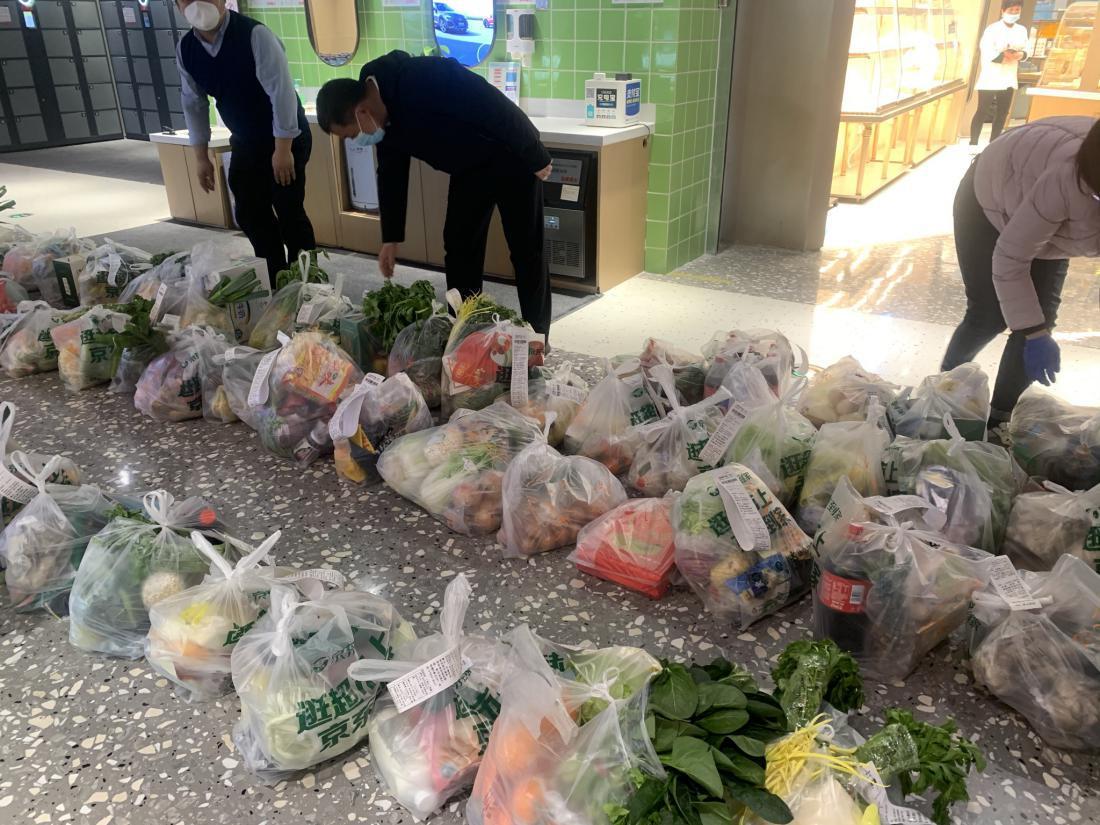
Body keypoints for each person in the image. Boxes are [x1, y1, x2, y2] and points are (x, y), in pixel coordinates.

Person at [315, 50, 553, 336]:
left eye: (350, 134)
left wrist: (534, 153)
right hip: (470, 167)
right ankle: (464, 332)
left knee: (527, 250)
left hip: (511, 153)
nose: (355, 140)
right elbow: (391, 172)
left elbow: (488, 101)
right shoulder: (380, 119)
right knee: (460, 247)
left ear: (361, 112)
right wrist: (390, 237)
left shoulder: (419, 77)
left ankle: (538, 337)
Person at [942, 116, 1100, 429]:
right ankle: (942, 395)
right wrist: (1035, 334)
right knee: (988, 315)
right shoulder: (1067, 179)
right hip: (991, 194)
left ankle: (1000, 422)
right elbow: (1010, 259)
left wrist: (1036, 329)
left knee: (1040, 317)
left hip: (1049, 213)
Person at [175, 0, 315, 280]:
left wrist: (283, 149)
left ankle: (307, 282)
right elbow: (193, 103)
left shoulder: (254, 35)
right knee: (250, 213)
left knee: (289, 210)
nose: (198, 4)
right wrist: (201, 157)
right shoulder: (186, 48)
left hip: (284, 137)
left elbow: (281, 93)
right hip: (245, 140)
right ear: (178, 6)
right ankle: (275, 276)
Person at [970, 1, 1029, 150]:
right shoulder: (992, 29)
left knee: (1002, 112)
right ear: (1003, 11)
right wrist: (1003, 56)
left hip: (1009, 77)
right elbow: (986, 50)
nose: (1014, 13)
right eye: (1011, 10)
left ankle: (994, 143)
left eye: (1017, 10)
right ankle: (973, 143)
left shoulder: (1021, 30)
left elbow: (1026, 49)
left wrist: (1021, 55)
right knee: (982, 110)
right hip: (991, 76)